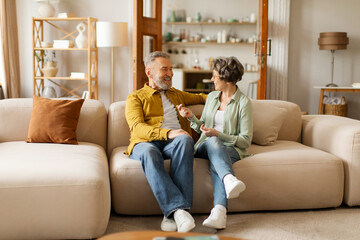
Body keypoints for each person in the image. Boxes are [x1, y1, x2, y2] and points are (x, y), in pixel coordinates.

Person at [125, 51, 207, 232]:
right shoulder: (135, 97)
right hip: (145, 143)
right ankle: (178, 212)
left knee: (185, 140)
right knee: (149, 152)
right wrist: (168, 132)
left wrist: (229, 99)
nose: (170, 73)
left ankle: (173, 214)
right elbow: (137, 128)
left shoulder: (176, 94)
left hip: (174, 143)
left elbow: (202, 97)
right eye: (164, 69)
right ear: (149, 72)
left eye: (170, 69)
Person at [177, 56, 253, 229]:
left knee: (217, 158)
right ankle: (228, 178)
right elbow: (202, 128)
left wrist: (218, 134)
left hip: (232, 149)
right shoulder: (212, 97)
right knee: (213, 142)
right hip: (207, 144)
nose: (212, 79)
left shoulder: (243, 103)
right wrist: (191, 119)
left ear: (225, 77)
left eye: (214, 75)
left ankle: (219, 212)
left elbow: (245, 141)